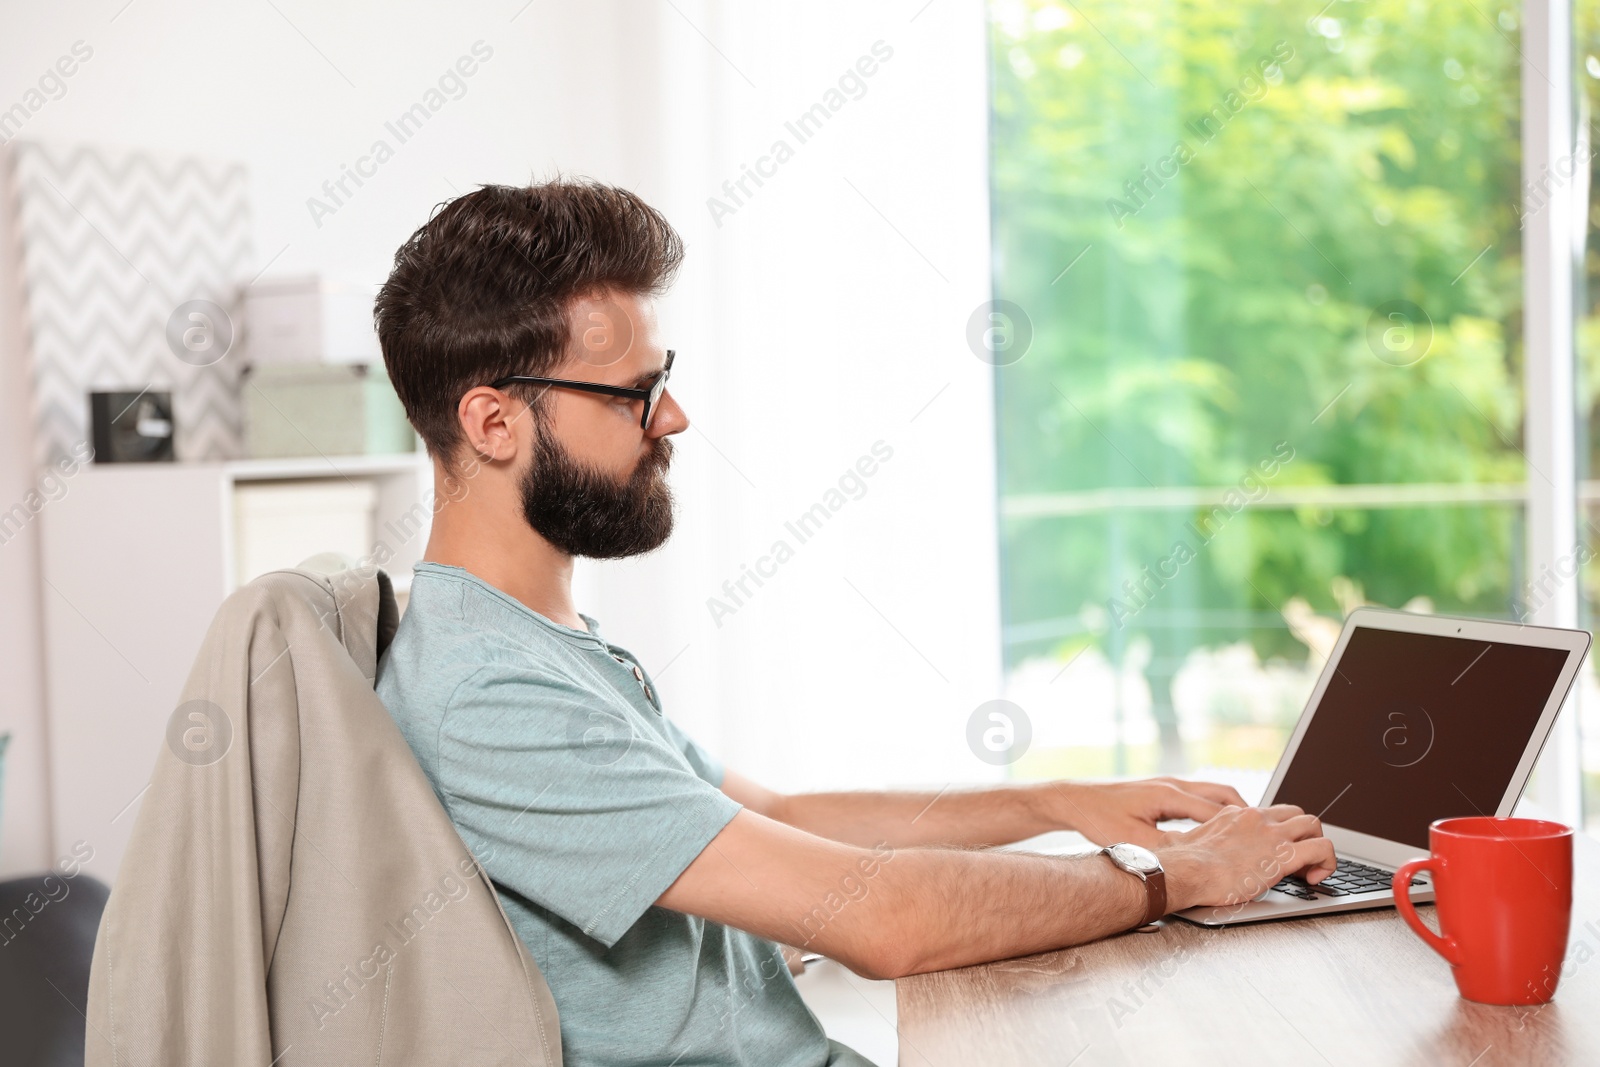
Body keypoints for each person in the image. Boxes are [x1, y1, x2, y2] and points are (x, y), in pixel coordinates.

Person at [373, 179, 1336, 1067]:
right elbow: (880, 920)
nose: (674, 420)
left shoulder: (540, 646)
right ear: (493, 423)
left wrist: (1053, 803)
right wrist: (1170, 875)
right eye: (637, 394)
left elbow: (782, 819)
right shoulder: (489, 692)